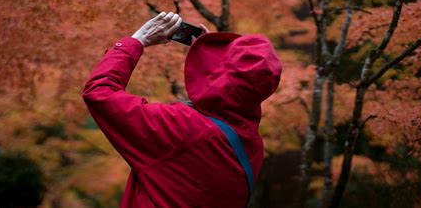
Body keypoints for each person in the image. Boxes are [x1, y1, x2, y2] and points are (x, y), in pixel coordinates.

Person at [82, 11, 282, 207]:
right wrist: (205, 60)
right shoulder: (252, 145)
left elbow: (99, 92)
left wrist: (136, 42)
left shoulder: (184, 127)